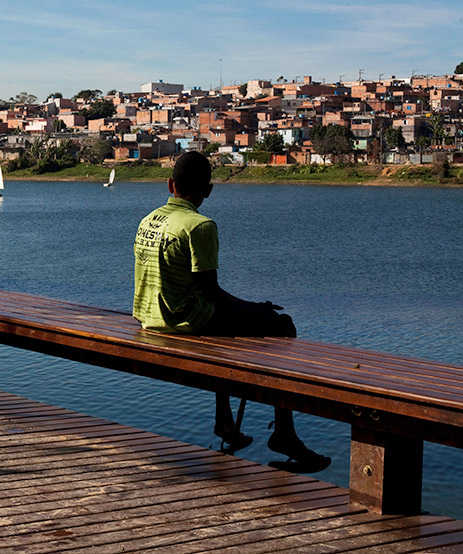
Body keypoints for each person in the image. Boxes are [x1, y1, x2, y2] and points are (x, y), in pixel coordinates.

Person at [132, 150, 330, 473]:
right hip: (183, 322)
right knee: (281, 326)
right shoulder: (200, 226)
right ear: (208, 191)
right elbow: (213, 296)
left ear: (170, 185)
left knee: (228, 327)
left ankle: (225, 422)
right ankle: (284, 434)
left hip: (148, 319)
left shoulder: (147, 220)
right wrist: (259, 310)